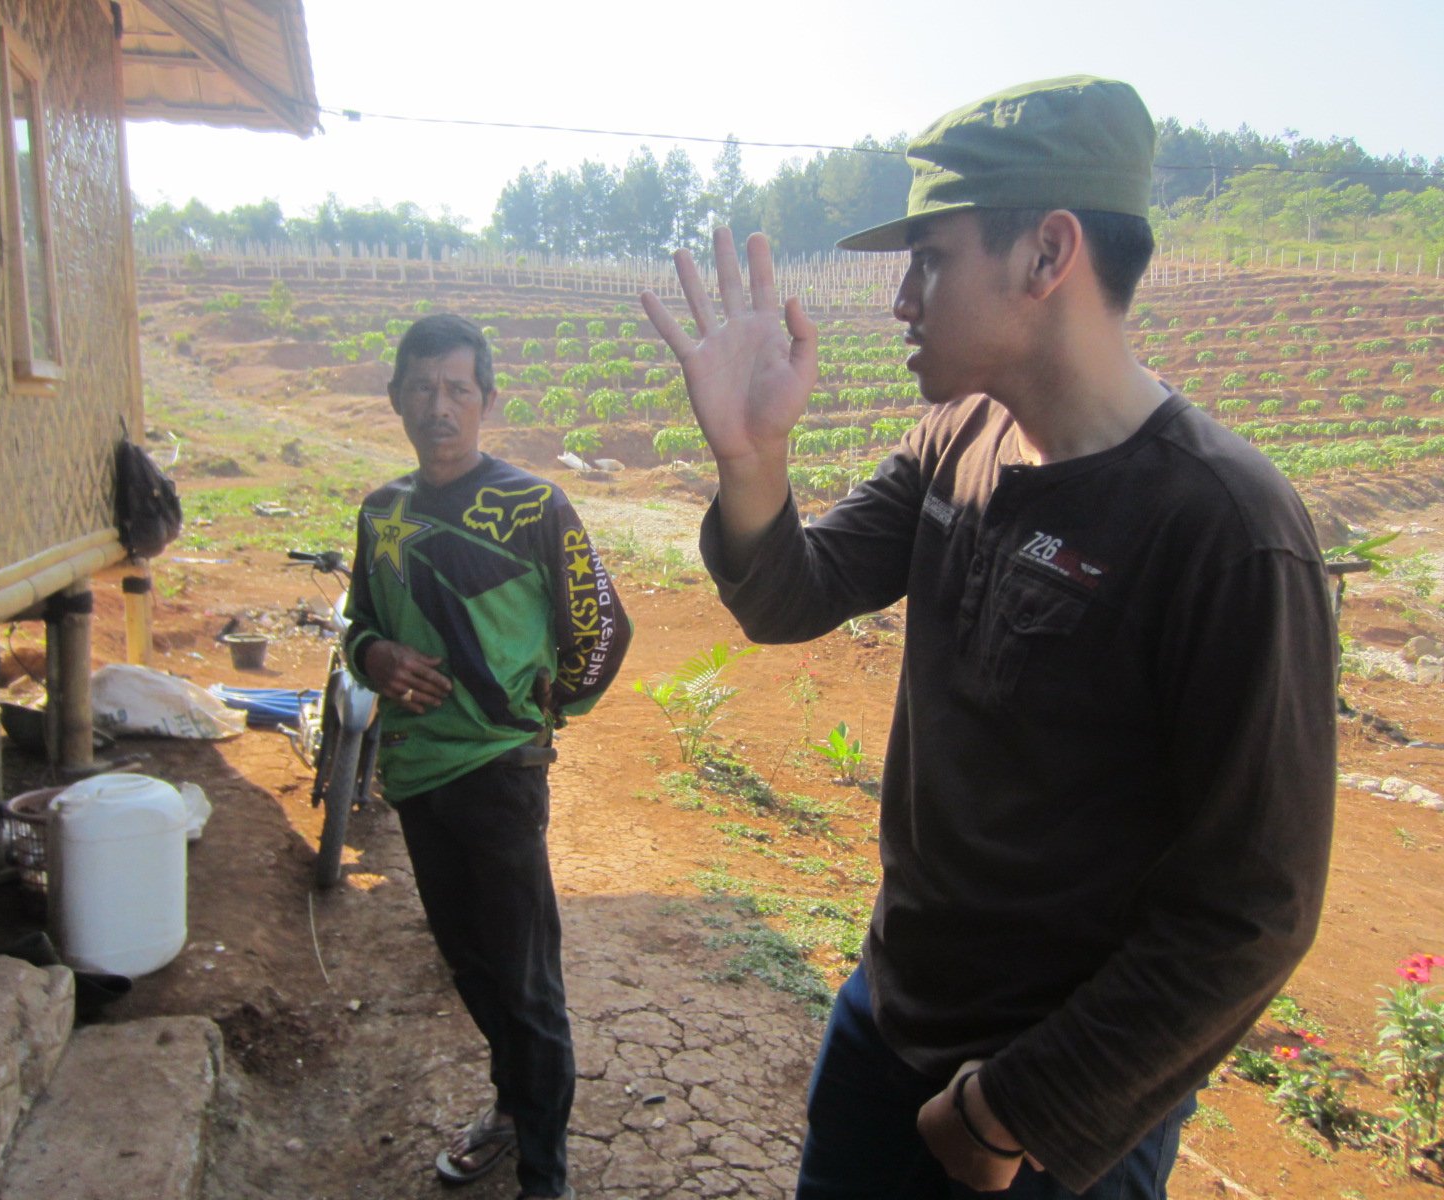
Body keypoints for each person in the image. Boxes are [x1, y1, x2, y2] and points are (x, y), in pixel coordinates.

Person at [642, 75, 1336, 1199]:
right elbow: (789, 598)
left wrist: (1008, 1112)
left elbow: (1251, 910)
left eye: (930, 259)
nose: (902, 299)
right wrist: (750, 460)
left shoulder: (1225, 531)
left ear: (1046, 253)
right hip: (886, 1014)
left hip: (1049, 1109)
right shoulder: (958, 436)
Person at [344, 313, 631, 1200]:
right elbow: (358, 624)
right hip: (418, 771)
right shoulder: (381, 512)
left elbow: (603, 628)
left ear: (485, 401)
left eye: (458, 391)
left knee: (525, 979)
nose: (440, 407)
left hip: (502, 773)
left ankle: (545, 1173)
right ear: (396, 399)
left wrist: (546, 714)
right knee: (468, 960)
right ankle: (514, 1108)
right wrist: (375, 659)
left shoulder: (533, 506)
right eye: (423, 389)